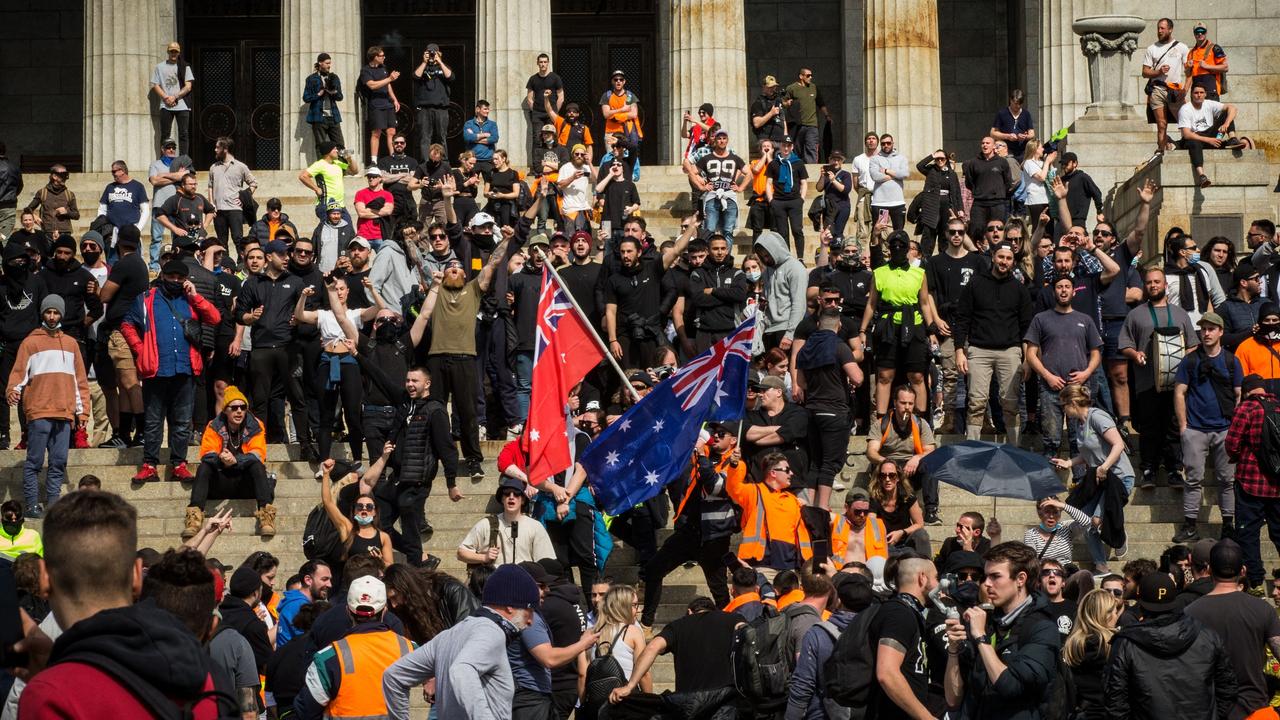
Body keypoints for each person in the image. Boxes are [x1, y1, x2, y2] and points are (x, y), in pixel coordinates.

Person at [17, 490, 226, 718]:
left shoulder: (48, 697)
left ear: (44, 579)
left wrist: (53, 677)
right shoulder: (210, 680)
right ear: (137, 575)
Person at [382, 564, 542, 720]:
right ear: (510, 607)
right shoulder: (491, 632)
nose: (531, 621)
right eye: (530, 610)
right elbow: (461, 671)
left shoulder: (447, 636)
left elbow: (393, 676)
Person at [122, 261, 221, 483]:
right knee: (153, 420)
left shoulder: (191, 299)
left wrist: (195, 296)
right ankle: (150, 464)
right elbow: (127, 324)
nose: (175, 280)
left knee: (182, 421)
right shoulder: (146, 299)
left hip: (185, 368)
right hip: (156, 369)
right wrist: (141, 349)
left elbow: (214, 318)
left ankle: (179, 464)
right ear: (163, 276)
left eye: (179, 277)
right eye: (171, 276)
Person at [942, 542, 1062, 719]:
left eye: (995, 576)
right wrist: (953, 650)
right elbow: (953, 700)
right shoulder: (985, 621)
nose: (986, 583)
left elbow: (1011, 686)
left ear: (1020, 579)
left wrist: (981, 638)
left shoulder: (1042, 628)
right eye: (985, 576)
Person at [641, 422, 740, 625]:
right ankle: (646, 623)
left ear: (734, 439)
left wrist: (702, 456)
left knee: (719, 591)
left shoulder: (736, 463)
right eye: (713, 433)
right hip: (690, 531)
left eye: (721, 434)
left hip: (714, 537)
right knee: (653, 569)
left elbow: (715, 487)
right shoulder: (701, 457)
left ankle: (730, 628)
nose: (715, 437)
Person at [1103, 571, 1237, 719]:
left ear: (1141, 601)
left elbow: (1115, 700)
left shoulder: (1126, 643)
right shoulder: (1207, 636)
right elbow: (1228, 688)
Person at [7, 295, 89, 516]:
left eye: (56, 312)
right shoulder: (30, 342)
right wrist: (13, 390)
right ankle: (32, 504)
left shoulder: (71, 344)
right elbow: (18, 374)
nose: (52, 316)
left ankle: (54, 505)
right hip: (39, 411)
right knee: (34, 461)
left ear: (61, 314)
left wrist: (83, 411)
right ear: (42, 313)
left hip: (64, 412)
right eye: (48, 312)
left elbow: (80, 381)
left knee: (58, 462)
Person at [1120, 266, 1201, 489]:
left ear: (1165, 285)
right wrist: (1135, 354)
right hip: (1147, 383)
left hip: (1177, 386)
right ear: (1145, 286)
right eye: (1149, 282)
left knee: (1174, 427)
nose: (1153, 285)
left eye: (1157, 282)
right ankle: (1149, 469)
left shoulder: (1180, 313)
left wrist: (1184, 357)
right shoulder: (1135, 314)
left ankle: (1175, 469)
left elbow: (1194, 345)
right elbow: (1125, 344)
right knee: (1150, 427)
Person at [1184, 539, 1280, 720]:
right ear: (1243, 570)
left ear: (1210, 569)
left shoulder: (1190, 612)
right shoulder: (1263, 609)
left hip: (1209, 708)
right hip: (1254, 709)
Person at [294, 576, 414, 720]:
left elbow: (306, 709)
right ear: (384, 612)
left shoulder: (329, 657)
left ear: (348, 612)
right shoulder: (407, 648)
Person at [1172, 312, 1242, 543]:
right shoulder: (1190, 360)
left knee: (1227, 481)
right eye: (1203, 329)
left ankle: (1229, 526)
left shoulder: (1232, 361)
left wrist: (1235, 426)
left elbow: (1239, 394)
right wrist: (1183, 426)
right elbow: (1179, 392)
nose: (1206, 333)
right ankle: (1190, 525)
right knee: (1193, 479)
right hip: (1195, 428)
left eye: (1211, 329)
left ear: (1221, 331)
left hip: (1225, 428)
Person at [955, 241, 1032, 447]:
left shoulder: (1019, 289)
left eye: (1008, 258)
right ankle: (972, 448)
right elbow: (962, 319)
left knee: (1010, 403)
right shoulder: (975, 283)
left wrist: (1027, 360)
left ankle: (1015, 448)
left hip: (1010, 351)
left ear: (1013, 261)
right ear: (993, 257)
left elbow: (1026, 327)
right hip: (979, 350)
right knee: (976, 402)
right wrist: (959, 352)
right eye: (1000, 257)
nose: (1004, 262)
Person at [610, 596, 742, 705]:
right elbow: (749, 637)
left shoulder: (678, 625)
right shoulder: (732, 619)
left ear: (690, 611)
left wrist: (630, 685)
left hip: (689, 703)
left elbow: (652, 647)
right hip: (726, 700)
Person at [860, 231, 937, 415]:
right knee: (885, 375)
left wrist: (931, 330)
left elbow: (925, 303)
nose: (897, 249)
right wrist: (863, 329)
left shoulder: (919, 273)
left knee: (917, 375)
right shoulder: (879, 273)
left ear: (908, 249)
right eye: (893, 246)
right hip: (888, 326)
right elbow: (871, 304)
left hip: (914, 324)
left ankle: (920, 421)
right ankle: (880, 419)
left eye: (901, 246)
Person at [1025, 274, 1103, 456]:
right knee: (1051, 440)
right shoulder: (1040, 319)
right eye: (1059, 287)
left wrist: (1087, 373)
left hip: (1079, 388)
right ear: (1054, 292)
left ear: (1073, 291)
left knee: (1080, 440)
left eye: (1067, 286)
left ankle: (1080, 481)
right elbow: (1030, 353)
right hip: (1050, 387)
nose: (1063, 290)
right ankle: (1049, 481)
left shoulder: (1085, 320)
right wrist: (1047, 376)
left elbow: (1096, 353)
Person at [183, 385, 275, 538]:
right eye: (234, 408)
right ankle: (194, 517)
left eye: (243, 407)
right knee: (204, 467)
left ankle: (266, 517)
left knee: (257, 466)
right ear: (225, 410)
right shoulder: (214, 425)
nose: (239, 411)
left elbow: (258, 454)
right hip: (221, 481)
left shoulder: (256, 425)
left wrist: (235, 461)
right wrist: (222, 460)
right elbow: (207, 453)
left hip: (245, 483)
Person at [1227, 374, 1280, 591]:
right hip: (1278, 485)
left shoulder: (1246, 408)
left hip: (1251, 482)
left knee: (1248, 533)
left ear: (1247, 391)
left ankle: (1255, 581)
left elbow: (1231, 444)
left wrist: (1239, 455)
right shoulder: (1278, 407)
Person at [581, 585, 650, 720]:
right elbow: (644, 673)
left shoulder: (589, 634)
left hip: (597, 703)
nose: (638, 610)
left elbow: (582, 674)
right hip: (626, 702)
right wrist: (649, 702)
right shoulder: (633, 632)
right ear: (622, 606)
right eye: (635, 605)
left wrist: (584, 704)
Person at [459, 476, 556, 567]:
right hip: (494, 581)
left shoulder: (535, 527)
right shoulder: (486, 524)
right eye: (507, 493)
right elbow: (461, 553)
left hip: (524, 581)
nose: (511, 496)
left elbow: (547, 561)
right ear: (502, 499)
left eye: (517, 494)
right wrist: (484, 557)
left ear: (522, 500)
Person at [1063, 588, 1122, 720]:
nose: (1116, 615)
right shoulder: (1111, 645)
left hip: (1079, 712)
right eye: (1114, 610)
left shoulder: (1073, 644)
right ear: (1104, 615)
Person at [1142, 17, 1189, 157]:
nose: (1159, 31)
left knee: (1184, 121)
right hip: (1157, 90)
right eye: (1158, 28)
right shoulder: (1152, 48)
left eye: (1162, 28)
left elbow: (1189, 72)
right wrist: (1159, 71)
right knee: (1161, 124)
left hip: (1175, 90)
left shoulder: (1181, 47)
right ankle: (1160, 151)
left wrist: (1185, 90)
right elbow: (1145, 72)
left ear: (1170, 29)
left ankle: (1188, 147)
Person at [1177, 84, 1240, 188]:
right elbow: (1186, 134)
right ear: (1192, 95)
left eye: (1201, 93)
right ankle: (1202, 176)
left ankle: (1232, 138)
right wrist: (1208, 140)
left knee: (1227, 113)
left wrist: (1226, 124)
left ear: (1205, 94)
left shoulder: (1209, 104)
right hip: (1195, 137)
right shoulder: (1185, 109)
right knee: (1193, 142)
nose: (1199, 95)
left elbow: (1232, 108)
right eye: (1196, 93)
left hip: (1210, 135)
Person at [868, 458, 931, 558]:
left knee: (921, 534)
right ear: (879, 478)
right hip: (885, 544)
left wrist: (902, 532)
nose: (887, 479)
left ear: (898, 478)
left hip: (906, 541)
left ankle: (927, 566)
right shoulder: (874, 499)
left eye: (891, 475)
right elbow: (871, 524)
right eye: (883, 476)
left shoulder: (907, 497)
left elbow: (919, 524)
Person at [207, 137, 257, 250]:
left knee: (238, 239)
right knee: (221, 241)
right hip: (218, 209)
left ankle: (241, 264)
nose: (215, 150)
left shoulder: (241, 166)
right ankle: (225, 265)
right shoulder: (213, 167)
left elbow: (253, 183)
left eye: (217, 147)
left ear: (225, 149)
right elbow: (210, 186)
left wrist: (244, 197)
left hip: (235, 209)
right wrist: (211, 204)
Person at [962, 137, 1012, 241]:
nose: (985, 145)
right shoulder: (973, 162)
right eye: (983, 143)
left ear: (994, 146)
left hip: (997, 203)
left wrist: (999, 192)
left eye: (988, 143)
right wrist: (980, 191)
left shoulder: (1002, 162)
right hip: (979, 203)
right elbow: (969, 183)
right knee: (976, 231)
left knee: (997, 231)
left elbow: (1008, 182)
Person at [767, 135, 809, 257]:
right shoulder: (774, 163)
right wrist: (771, 200)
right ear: (780, 146)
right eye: (784, 145)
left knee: (797, 230)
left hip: (795, 200)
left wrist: (802, 199)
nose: (786, 148)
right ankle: (787, 258)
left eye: (788, 146)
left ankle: (800, 257)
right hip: (778, 201)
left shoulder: (799, 163)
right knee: (783, 232)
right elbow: (768, 183)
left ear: (792, 147)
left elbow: (804, 182)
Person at [358, 46, 400, 164]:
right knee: (376, 132)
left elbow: (388, 85)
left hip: (388, 103)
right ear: (374, 57)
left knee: (391, 131)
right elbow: (372, 85)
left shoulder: (383, 68)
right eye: (381, 56)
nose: (384, 57)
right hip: (376, 104)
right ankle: (374, 160)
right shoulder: (366, 70)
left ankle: (393, 156)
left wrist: (394, 99)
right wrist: (390, 79)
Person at [299, 142, 360, 222]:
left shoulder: (337, 163)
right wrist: (316, 188)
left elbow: (354, 171)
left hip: (340, 205)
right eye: (334, 149)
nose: (337, 151)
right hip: (326, 205)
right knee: (330, 232)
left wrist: (350, 159)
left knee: (348, 230)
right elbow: (303, 176)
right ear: (328, 152)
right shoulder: (320, 164)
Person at [152, 41, 194, 153]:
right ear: (168, 52)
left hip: (182, 105)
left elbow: (188, 86)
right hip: (165, 106)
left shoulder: (185, 66)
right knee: (165, 134)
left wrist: (174, 97)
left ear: (179, 52)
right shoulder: (159, 67)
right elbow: (156, 85)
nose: (173, 53)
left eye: (176, 51)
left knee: (183, 134)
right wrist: (166, 98)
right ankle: (165, 159)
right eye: (171, 51)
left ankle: (183, 160)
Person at [412, 43, 453, 153]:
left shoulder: (444, 67)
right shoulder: (422, 67)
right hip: (424, 109)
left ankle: (444, 162)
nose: (431, 55)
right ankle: (425, 164)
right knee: (425, 138)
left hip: (441, 108)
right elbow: (416, 76)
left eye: (434, 53)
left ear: (439, 53)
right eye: (429, 53)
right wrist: (424, 62)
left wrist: (439, 61)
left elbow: (450, 77)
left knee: (441, 137)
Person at [526, 53, 564, 168]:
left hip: (551, 114)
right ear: (537, 63)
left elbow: (561, 96)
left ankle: (552, 164)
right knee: (537, 138)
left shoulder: (555, 78)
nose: (543, 64)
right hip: (537, 114)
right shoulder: (533, 79)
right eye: (541, 62)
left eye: (545, 62)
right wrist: (535, 109)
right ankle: (536, 167)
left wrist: (554, 112)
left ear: (548, 63)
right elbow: (529, 98)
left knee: (552, 138)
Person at [784, 68, 830, 163]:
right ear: (801, 76)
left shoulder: (813, 87)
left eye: (811, 75)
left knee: (811, 147)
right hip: (797, 124)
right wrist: (787, 103)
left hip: (812, 124)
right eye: (808, 75)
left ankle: (811, 170)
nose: (810, 77)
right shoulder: (792, 88)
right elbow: (783, 101)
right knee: (797, 148)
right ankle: (797, 169)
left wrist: (827, 115)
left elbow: (821, 103)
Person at [1235, 302, 1280, 396]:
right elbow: (1240, 380)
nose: (1271, 323)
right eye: (1267, 320)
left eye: (1275, 320)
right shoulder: (1245, 346)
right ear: (1260, 321)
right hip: (1258, 401)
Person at [303, 52, 345, 154]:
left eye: (330, 63)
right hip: (318, 117)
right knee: (321, 146)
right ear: (320, 63)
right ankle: (322, 169)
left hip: (333, 116)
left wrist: (333, 92)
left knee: (340, 145)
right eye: (327, 63)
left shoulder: (334, 77)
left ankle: (341, 169)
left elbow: (340, 97)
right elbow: (306, 97)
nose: (329, 65)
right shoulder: (311, 79)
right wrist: (318, 94)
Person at [990, 88, 1036, 159]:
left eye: (1020, 104)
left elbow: (1032, 134)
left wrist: (1024, 137)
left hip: (1022, 152)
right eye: (1016, 103)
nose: (1018, 106)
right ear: (1010, 100)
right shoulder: (1002, 113)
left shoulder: (1026, 114)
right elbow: (993, 133)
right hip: (1006, 151)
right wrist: (1008, 136)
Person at [462, 100, 499, 176]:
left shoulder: (492, 124)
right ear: (478, 109)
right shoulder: (469, 124)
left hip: (488, 160)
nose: (487, 111)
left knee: (490, 184)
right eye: (485, 109)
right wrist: (484, 134)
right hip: (473, 159)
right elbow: (467, 138)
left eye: (488, 109)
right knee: (472, 185)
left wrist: (475, 138)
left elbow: (494, 138)